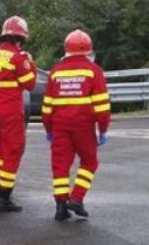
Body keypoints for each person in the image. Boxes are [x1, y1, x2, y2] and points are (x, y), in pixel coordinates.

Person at [42, 29, 111, 221]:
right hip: (84, 125)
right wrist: (103, 129)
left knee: (60, 166)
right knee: (90, 161)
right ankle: (77, 198)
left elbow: (47, 108)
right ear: (89, 51)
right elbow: (102, 106)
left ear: (66, 50)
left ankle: (60, 207)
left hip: (59, 126)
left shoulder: (55, 72)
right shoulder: (93, 71)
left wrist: (49, 130)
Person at [0, 16, 38, 212]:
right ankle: (4, 196)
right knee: (14, 150)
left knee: (1, 149)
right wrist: (31, 63)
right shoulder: (18, 58)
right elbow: (29, 84)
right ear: (20, 38)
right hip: (10, 111)